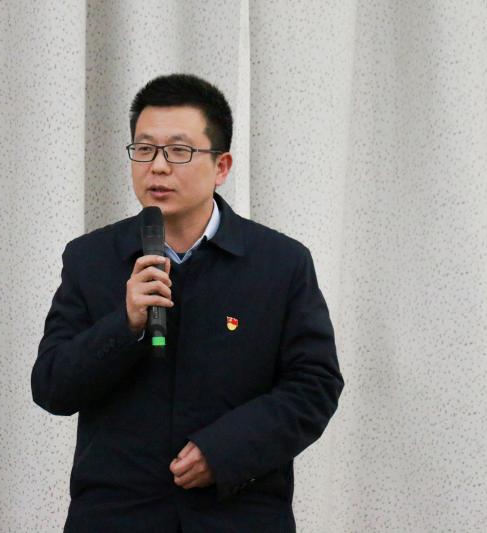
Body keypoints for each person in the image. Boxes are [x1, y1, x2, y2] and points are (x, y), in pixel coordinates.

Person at [31, 73, 344, 533]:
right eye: (144, 149)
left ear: (221, 166)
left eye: (179, 151)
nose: (158, 167)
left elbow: (314, 385)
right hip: (116, 517)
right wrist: (125, 324)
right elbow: (51, 387)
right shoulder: (90, 258)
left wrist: (225, 452)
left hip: (237, 515)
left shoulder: (281, 263)